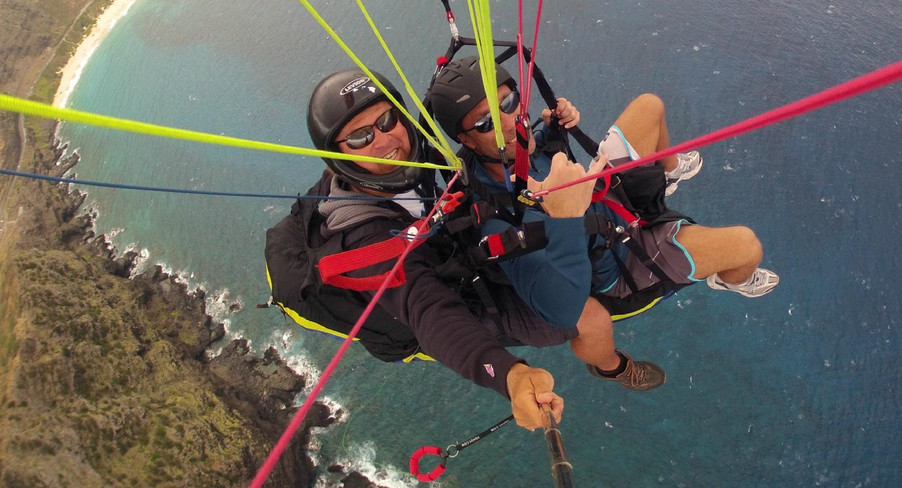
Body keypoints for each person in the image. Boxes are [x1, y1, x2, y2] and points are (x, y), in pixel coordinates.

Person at [265, 69, 593, 430]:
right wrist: (509, 376)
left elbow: (466, 144)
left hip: (442, 248)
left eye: (387, 119)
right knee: (585, 316)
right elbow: (428, 311)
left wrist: (544, 131)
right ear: (339, 157)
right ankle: (611, 365)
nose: (384, 139)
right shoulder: (366, 240)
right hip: (418, 308)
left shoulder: (408, 158)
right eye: (360, 137)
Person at [426, 56, 779, 391]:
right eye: (487, 123)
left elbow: (544, 155)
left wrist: (552, 131)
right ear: (466, 140)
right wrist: (564, 216)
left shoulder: (511, 151)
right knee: (746, 248)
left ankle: (667, 172)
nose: (508, 121)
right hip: (622, 262)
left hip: (605, 197)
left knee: (649, 106)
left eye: (508, 103)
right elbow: (562, 310)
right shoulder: (499, 223)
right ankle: (615, 365)